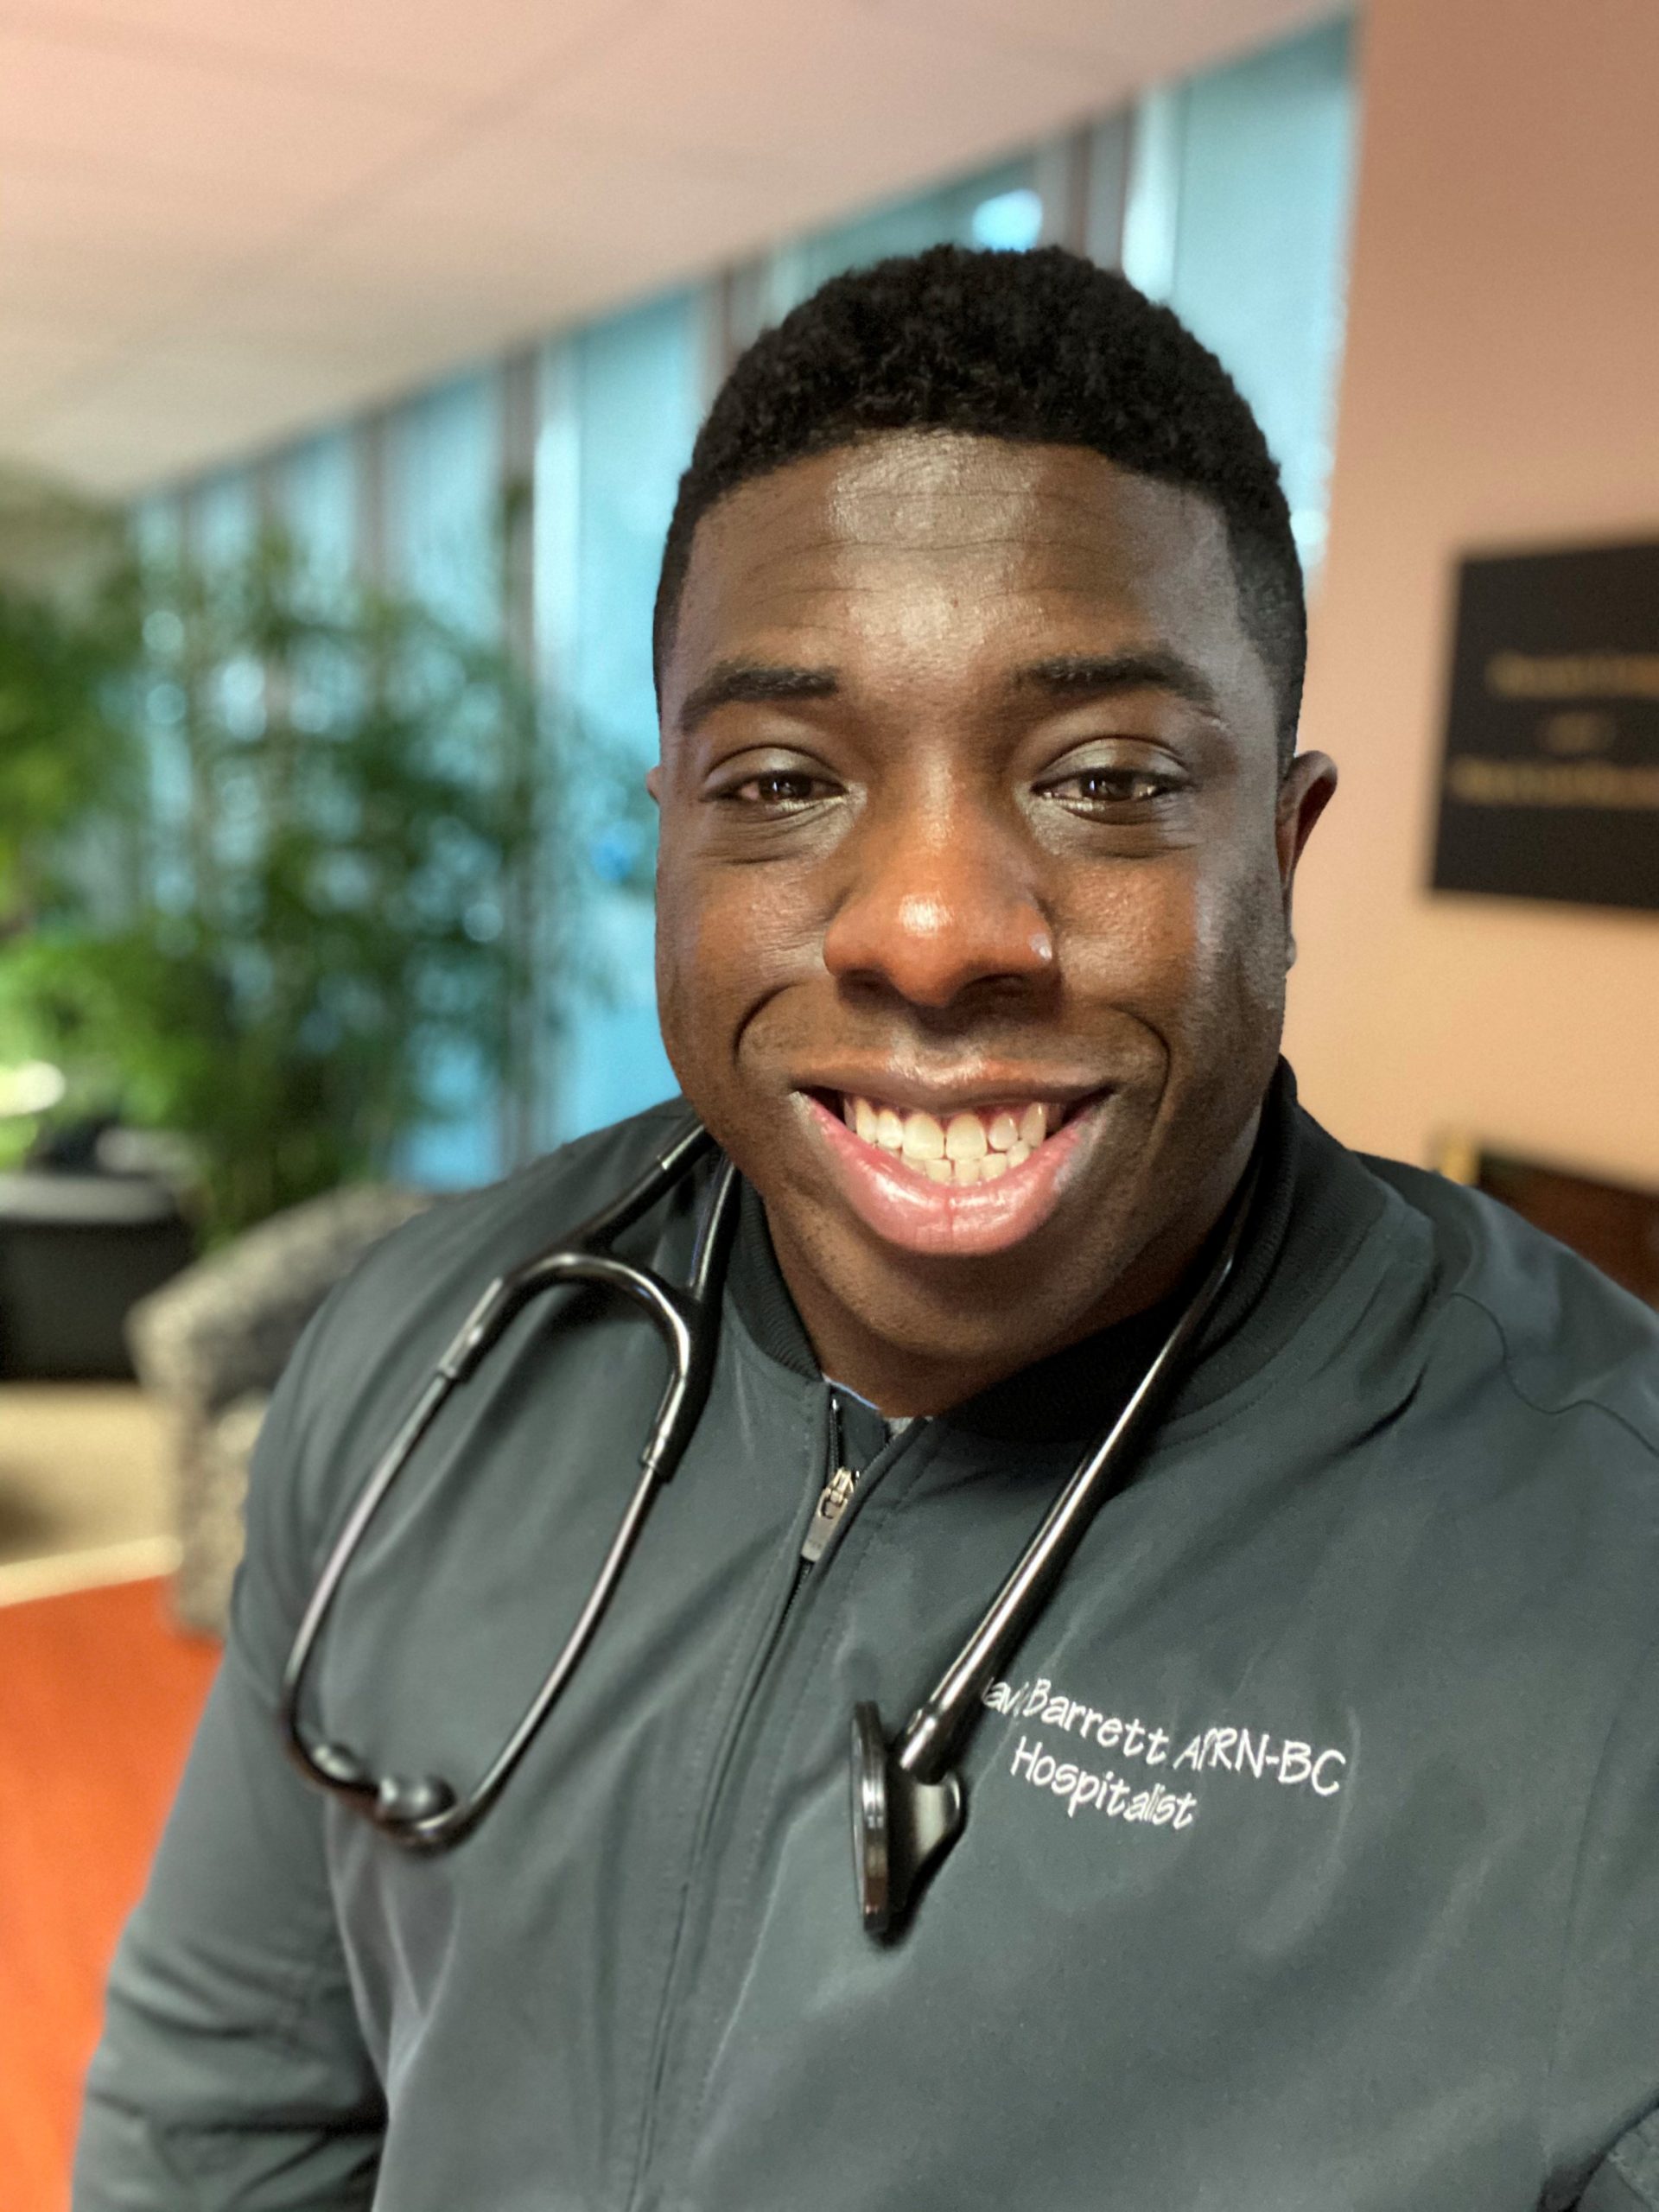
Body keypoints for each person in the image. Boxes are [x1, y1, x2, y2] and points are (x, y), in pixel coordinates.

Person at [75, 245, 1659, 2212]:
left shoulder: (1612, 1597)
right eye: (780, 780)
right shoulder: (421, 1356)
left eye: (1105, 780)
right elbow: (225, 2116)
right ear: (673, 830)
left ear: (1281, 844)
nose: (928, 927)